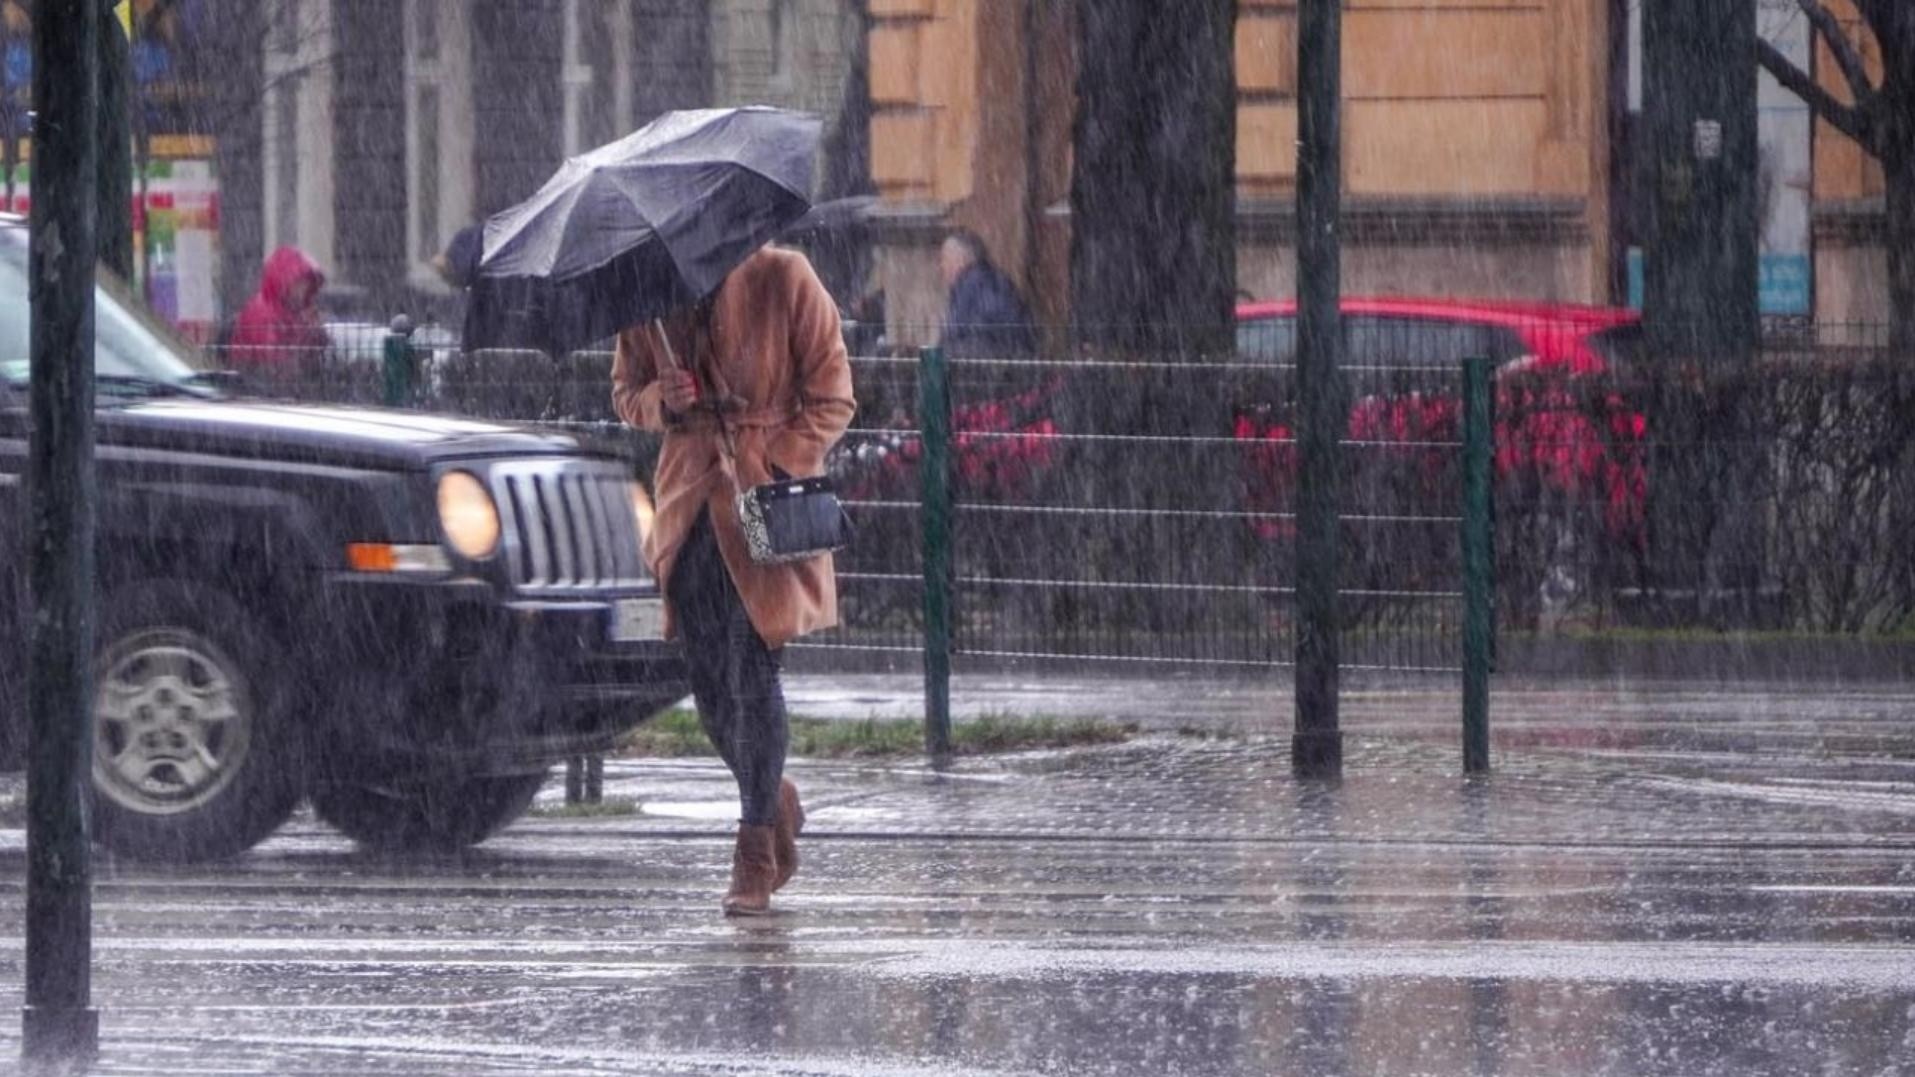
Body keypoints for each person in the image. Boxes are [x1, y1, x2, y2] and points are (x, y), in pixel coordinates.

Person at [611, 244, 856, 917]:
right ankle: (772, 793)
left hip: (763, 510)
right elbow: (625, 393)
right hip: (687, 507)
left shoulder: (784, 276)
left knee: (752, 672)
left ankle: (753, 845)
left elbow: (833, 395)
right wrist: (662, 399)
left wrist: (774, 458)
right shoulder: (647, 295)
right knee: (709, 683)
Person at [228, 246, 328, 374]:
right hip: (257, 385)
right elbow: (276, 363)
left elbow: (315, 356)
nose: (303, 289)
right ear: (283, 282)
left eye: (307, 283)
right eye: (298, 283)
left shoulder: (295, 311)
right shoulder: (262, 313)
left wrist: (315, 332)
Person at [938, 229, 1036, 359]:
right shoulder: (988, 281)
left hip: (994, 365)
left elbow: (959, 335)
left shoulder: (972, 286)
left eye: (944, 259)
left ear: (960, 260)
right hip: (1009, 360)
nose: (941, 266)